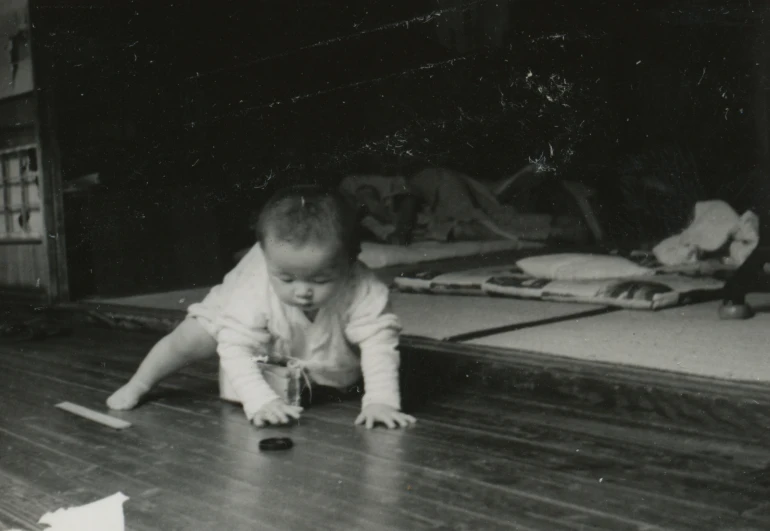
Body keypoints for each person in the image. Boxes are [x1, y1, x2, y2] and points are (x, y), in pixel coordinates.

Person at [107, 184, 416, 430]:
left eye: (320, 280)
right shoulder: (254, 286)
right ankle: (140, 382)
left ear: (351, 262)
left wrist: (381, 401)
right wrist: (261, 401)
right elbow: (235, 348)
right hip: (246, 319)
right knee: (190, 338)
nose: (302, 292)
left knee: (334, 364)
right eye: (286, 277)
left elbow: (379, 344)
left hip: (303, 336)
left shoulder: (364, 288)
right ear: (267, 261)